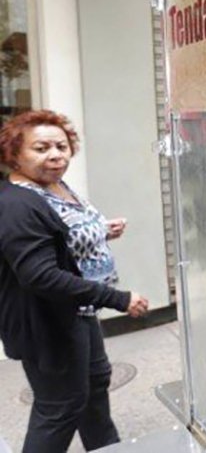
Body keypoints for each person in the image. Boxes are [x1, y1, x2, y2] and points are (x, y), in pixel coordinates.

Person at [0, 109, 149, 452]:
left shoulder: (54, 185)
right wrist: (118, 298)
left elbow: (59, 240)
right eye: (41, 148)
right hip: (48, 321)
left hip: (79, 311)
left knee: (95, 387)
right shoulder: (18, 205)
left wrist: (100, 231)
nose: (55, 155)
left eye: (62, 146)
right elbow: (41, 276)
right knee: (60, 407)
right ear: (14, 154)